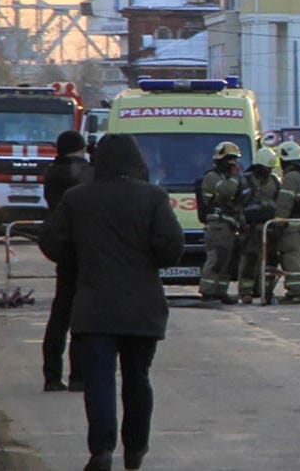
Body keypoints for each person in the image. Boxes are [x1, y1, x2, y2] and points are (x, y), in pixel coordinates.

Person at [38, 133, 183, 471]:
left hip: (94, 304)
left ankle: (101, 451)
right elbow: (170, 246)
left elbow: (50, 241)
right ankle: (135, 450)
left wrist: (78, 258)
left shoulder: (78, 198)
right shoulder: (153, 198)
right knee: (137, 378)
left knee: (99, 380)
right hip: (142, 307)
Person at [41, 129, 93, 392]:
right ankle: (79, 375)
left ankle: (51, 376)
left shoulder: (52, 173)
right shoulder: (84, 173)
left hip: (62, 247)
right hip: (85, 248)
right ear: (80, 148)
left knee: (60, 313)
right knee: (82, 315)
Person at [197, 142, 243, 305]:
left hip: (229, 225)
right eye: (230, 160)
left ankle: (221, 291)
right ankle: (207, 291)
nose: (233, 163)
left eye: (235, 160)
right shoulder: (212, 177)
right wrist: (236, 177)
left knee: (227, 260)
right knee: (216, 259)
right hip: (217, 225)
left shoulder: (228, 177)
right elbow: (227, 191)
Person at [236, 148, 280, 305]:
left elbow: (280, 202)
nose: (269, 171)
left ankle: (266, 291)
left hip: (269, 228)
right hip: (251, 228)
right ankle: (246, 292)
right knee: (249, 260)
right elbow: (239, 205)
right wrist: (243, 224)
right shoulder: (245, 181)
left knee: (270, 262)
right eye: (267, 168)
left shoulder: (274, 181)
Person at [272, 141, 300, 304]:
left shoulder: (291, 177)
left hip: (291, 225)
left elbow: (285, 202)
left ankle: (295, 292)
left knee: (291, 257)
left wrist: (278, 222)